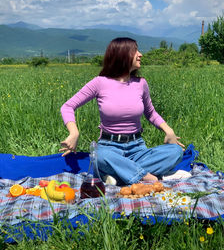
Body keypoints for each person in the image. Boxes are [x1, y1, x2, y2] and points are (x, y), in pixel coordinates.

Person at [59, 37, 184, 185]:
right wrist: (74, 133)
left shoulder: (141, 83)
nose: (140, 54)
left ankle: (119, 177)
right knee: (99, 156)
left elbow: (150, 113)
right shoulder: (100, 82)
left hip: (137, 149)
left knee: (175, 152)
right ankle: (148, 176)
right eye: (135, 51)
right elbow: (67, 106)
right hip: (110, 148)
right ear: (122, 55)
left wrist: (168, 131)